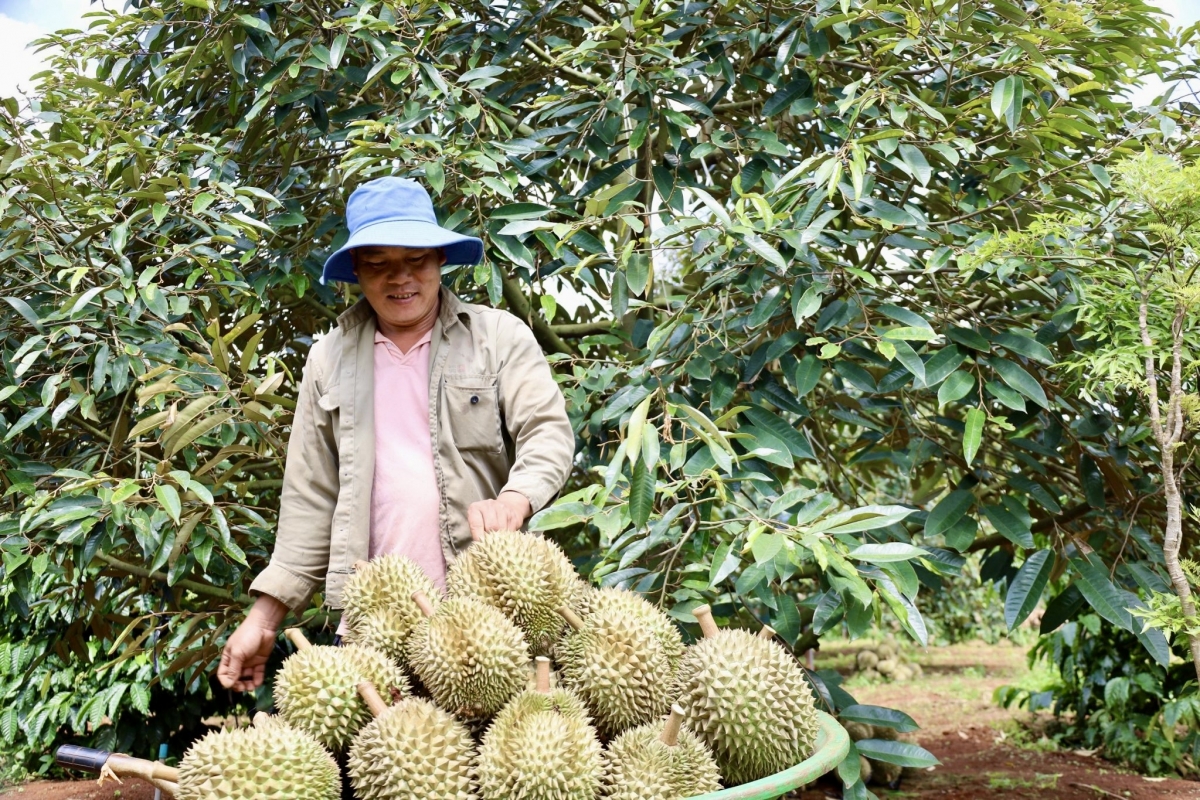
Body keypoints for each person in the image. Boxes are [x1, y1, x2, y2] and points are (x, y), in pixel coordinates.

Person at [216, 177, 575, 691]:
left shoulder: (498, 338)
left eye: (415, 260)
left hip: (488, 617)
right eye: (379, 264)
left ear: (439, 261)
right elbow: (310, 496)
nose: (400, 278)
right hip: (372, 627)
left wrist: (516, 498)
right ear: (356, 272)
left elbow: (547, 433)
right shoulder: (328, 359)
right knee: (382, 766)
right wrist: (265, 618)